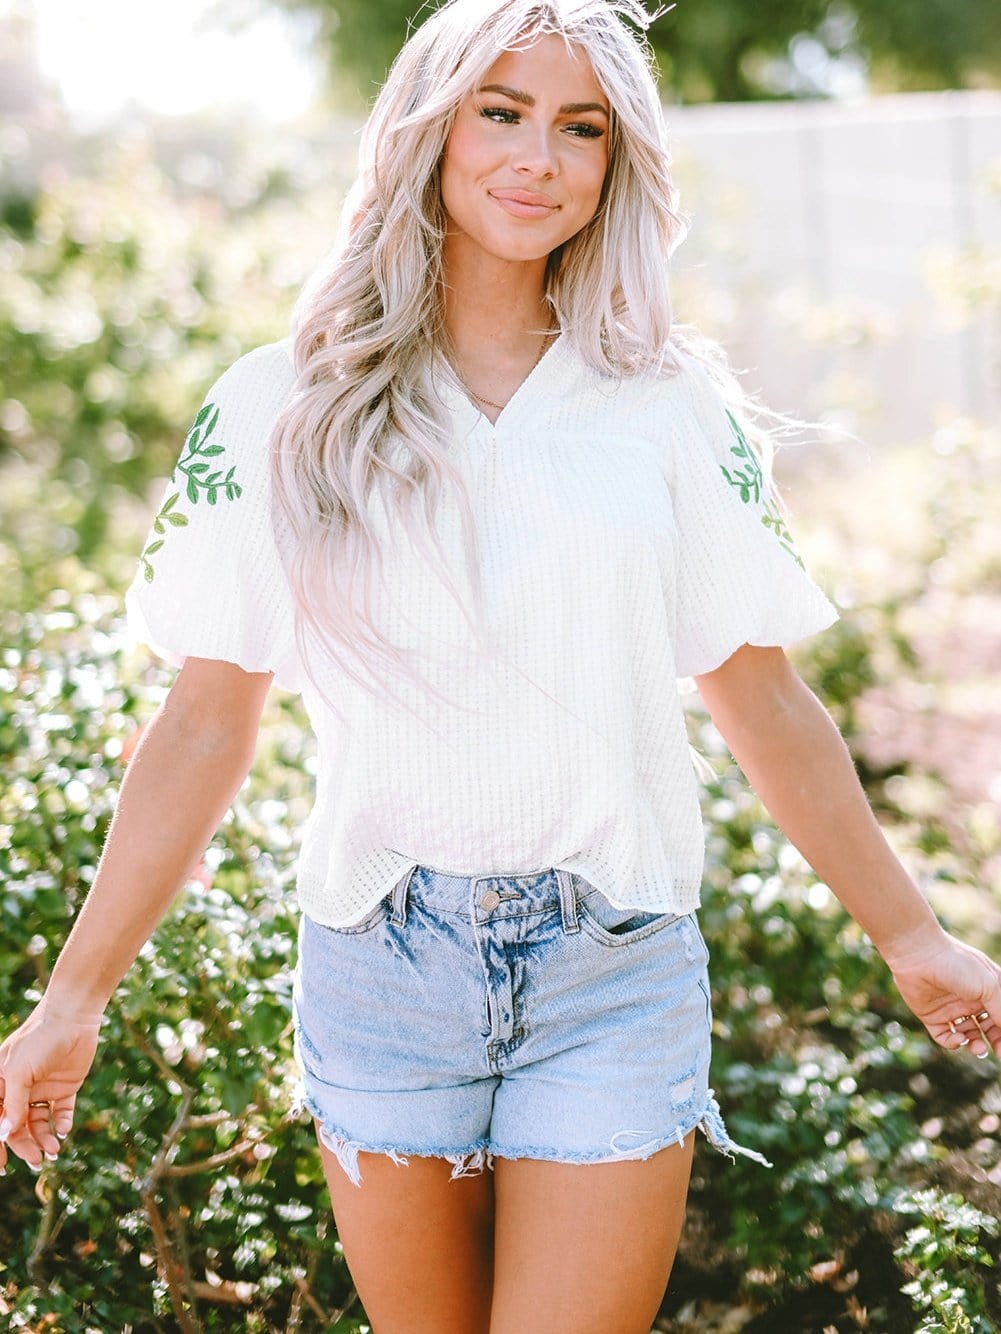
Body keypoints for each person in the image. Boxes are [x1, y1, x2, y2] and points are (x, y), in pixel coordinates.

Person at [2, 1, 1000, 1330]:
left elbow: (758, 693)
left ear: (614, 165)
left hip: (612, 963)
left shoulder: (664, 406)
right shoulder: (281, 400)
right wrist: (72, 1001)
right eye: (502, 111)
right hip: (380, 960)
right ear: (428, 125)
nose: (540, 155)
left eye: (580, 127)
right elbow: (202, 720)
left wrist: (913, 933)